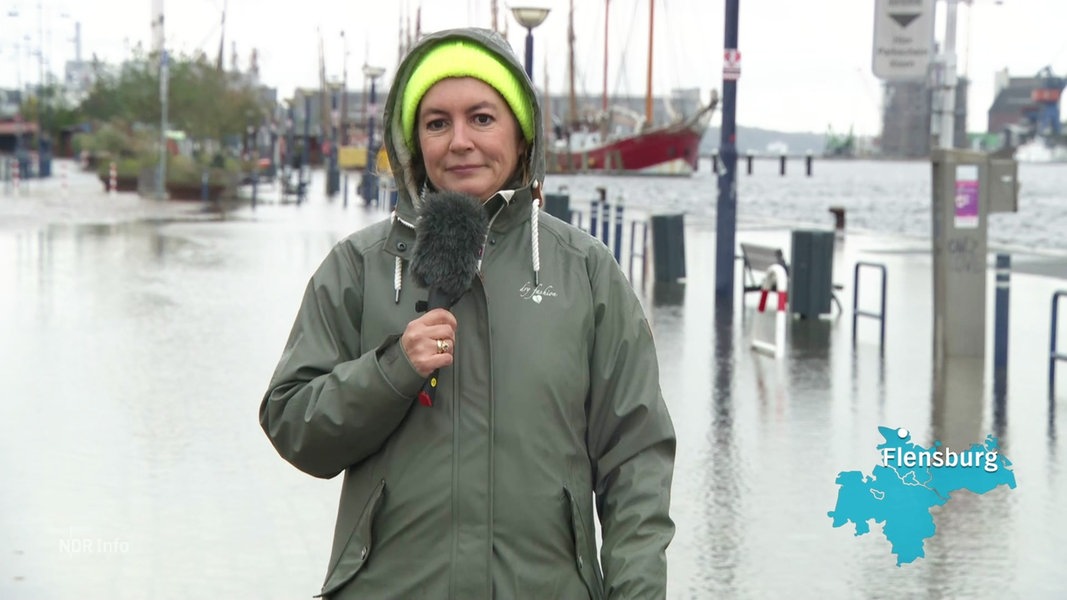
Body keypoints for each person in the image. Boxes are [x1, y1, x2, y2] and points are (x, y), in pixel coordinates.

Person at [260, 28, 676, 599]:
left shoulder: (585, 270)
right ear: (413, 142)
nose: (459, 142)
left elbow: (635, 457)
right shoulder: (358, 267)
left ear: (520, 133)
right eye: (437, 123)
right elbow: (292, 425)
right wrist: (390, 371)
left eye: (481, 118)